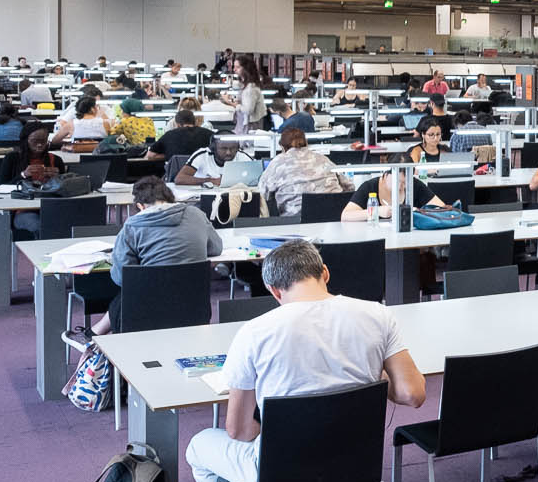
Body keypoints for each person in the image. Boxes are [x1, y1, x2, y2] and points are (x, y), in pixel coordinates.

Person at [186, 240, 427, 482]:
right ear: (325, 273)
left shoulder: (255, 332)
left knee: (198, 448)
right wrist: (366, 374)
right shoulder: (377, 315)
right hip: (351, 464)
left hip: (278, 473)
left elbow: (239, 431)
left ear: (274, 290)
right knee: (323, 432)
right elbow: (413, 394)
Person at [88, 177, 225, 335]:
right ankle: (94, 334)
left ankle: (94, 336)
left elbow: (121, 278)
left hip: (145, 309)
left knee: (127, 294)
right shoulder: (196, 214)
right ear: (170, 198)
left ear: (140, 206)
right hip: (194, 306)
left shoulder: (132, 226)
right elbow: (216, 248)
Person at [257, 128, 348, 218]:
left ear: (282, 147)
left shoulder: (278, 162)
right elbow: (348, 186)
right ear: (306, 143)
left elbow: (262, 193)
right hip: (333, 218)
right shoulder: (323, 159)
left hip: (294, 221)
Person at [340, 164, 447, 221]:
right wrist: (376, 211)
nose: (401, 186)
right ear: (386, 174)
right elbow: (345, 216)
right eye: (397, 181)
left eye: (405, 183)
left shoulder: (414, 184)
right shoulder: (369, 187)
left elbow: (442, 208)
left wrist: (418, 211)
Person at [147, 107, 214, 163]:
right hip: (203, 175)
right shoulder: (209, 134)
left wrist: (170, 155)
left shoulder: (169, 135)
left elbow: (150, 155)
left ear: (177, 124)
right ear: (195, 121)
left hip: (176, 176)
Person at [223, 57, 267, 132]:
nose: (234, 69)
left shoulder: (250, 88)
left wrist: (230, 102)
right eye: (234, 67)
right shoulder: (247, 86)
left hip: (250, 126)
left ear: (246, 69)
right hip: (247, 123)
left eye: (238, 67)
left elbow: (248, 110)